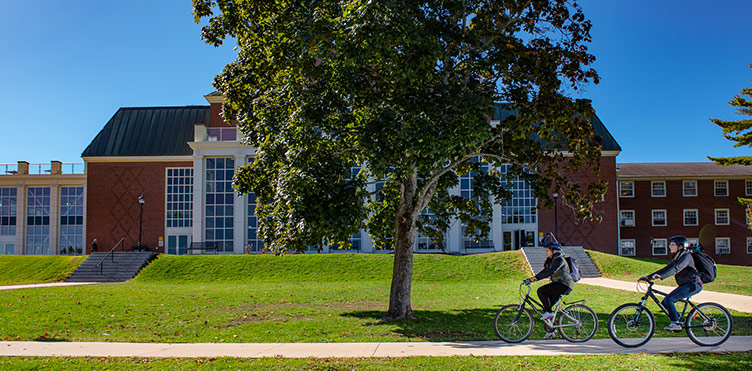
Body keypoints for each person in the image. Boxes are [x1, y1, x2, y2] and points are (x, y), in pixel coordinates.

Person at [641, 235, 703, 331]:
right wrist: (648, 277)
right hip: (687, 285)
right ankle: (679, 320)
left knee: (669, 299)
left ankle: (675, 323)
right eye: (670, 244)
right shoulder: (677, 257)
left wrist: (662, 276)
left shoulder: (687, 256)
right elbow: (666, 268)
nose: (670, 247)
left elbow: (676, 269)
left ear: (680, 246)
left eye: (673, 245)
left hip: (693, 285)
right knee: (665, 302)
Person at [525, 240, 575, 337]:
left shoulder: (559, 259)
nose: (546, 252)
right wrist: (532, 279)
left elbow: (552, 271)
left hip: (564, 285)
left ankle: (549, 314)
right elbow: (544, 271)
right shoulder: (551, 261)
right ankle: (551, 331)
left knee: (541, 291)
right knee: (546, 307)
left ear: (554, 251)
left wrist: (537, 278)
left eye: (548, 250)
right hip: (559, 284)